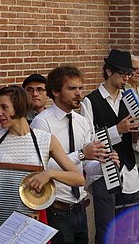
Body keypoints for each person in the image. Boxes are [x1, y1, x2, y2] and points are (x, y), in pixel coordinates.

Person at [0, 85, 84, 228]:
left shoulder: (46, 140)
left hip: (34, 222)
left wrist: (49, 174)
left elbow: (78, 178)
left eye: (4, 107)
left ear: (19, 107)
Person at [31, 65, 114, 244]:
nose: (78, 93)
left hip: (80, 209)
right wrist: (82, 154)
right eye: (72, 88)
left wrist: (104, 165)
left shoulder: (82, 122)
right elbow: (41, 169)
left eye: (80, 88)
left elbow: (86, 168)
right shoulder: (42, 122)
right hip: (56, 211)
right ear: (55, 92)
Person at [80, 49, 139, 244]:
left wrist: (136, 135)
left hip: (130, 172)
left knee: (130, 230)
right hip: (103, 173)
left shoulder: (130, 100)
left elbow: (135, 143)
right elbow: (87, 140)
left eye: (128, 75)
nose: (126, 79)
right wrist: (118, 130)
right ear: (108, 72)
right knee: (106, 231)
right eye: (122, 74)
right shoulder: (90, 101)